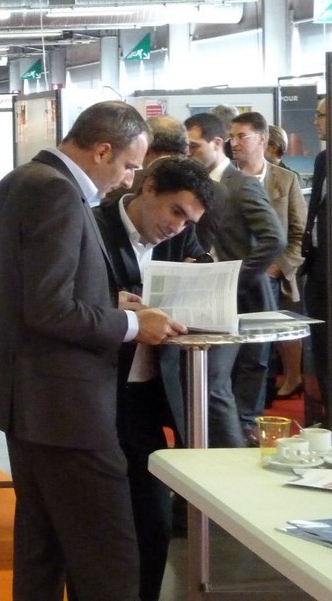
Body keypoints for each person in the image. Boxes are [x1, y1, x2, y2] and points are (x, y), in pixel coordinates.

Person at [0, 100, 187, 601]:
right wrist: (132, 323)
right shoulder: (58, 192)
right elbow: (49, 309)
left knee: (42, 549)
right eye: (129, 165)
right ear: (102, 150)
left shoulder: (22, 180)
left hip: (31, 401)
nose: (128, 180)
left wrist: (106, 300)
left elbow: (33, 291)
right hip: (66, 406)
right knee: (109, 557)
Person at [93, 156, 217, 601]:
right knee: (97, 528)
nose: (178, 226)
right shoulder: (92, 226)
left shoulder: (182, 237)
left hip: (148, 394)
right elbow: (66, 301)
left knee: (153, 524)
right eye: (175, 211)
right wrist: (115, 305)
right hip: (96, 393)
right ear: (148, 189)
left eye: (189, 220)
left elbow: (201, 272)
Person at [184, 112, 284, 447]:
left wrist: (234, 278)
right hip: (201, 300)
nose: (188, 153)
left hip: (242, 299)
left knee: (229, 386)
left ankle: (237, 449)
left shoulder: (242, 185)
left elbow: (274, 239)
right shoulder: (193, 185)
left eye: (194, 146)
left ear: (216, 143)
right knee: (208, 384)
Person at [230, 112, 306, 402]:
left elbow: (299, 233)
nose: (234, 143)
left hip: (271, 279)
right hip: (233, 278)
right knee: (232, 354)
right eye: (231, 136)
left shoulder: (285, 180)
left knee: (260, 353)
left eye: (241, 136)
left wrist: (277, 267)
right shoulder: (226, 180)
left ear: (262, 139)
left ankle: (253, 413)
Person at [302, 98, 330, 427]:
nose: (315, 121)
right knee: (322, 348)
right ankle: (330, 416)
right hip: (320, 267)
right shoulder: (324, 158)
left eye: (320, 115)